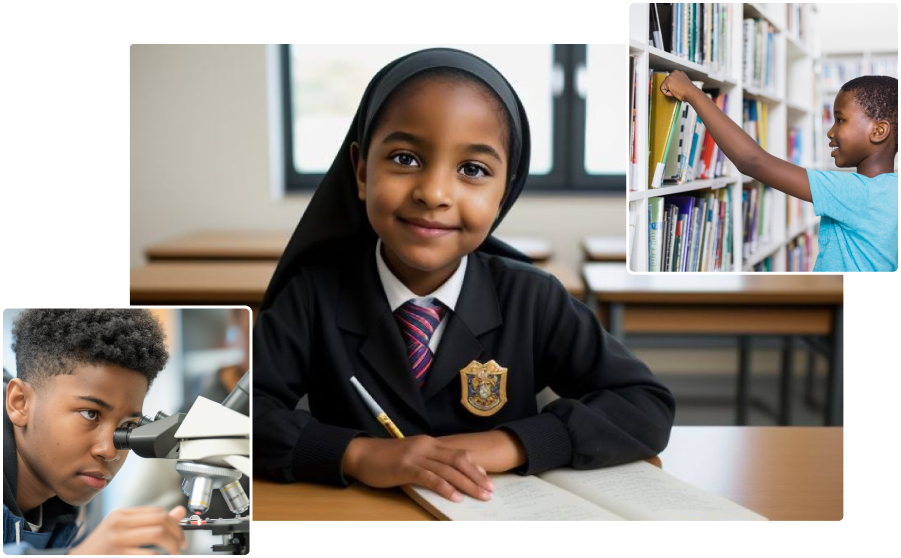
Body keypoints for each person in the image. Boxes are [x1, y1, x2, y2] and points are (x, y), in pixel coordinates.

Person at [253, 47, 676, 504]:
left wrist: (510, 443)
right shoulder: (314, 294)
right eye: (405, 158)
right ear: (361, 170)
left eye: (473, 169)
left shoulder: (531, 298)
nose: (433, 193)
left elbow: (644, 404)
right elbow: (233, 416)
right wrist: (357, 455)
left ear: (505, 192)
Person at [660, 71, 898, 272]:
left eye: (840, 120)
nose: (830, 132)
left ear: (878, 131)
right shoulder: (891, 190)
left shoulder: (859, 194)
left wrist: (692, 93)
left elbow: (752, 161)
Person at [3, 309, 188, 554]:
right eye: (90, 414)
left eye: (128, 427)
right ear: (20, 403)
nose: (109, 451)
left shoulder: (68, 499)